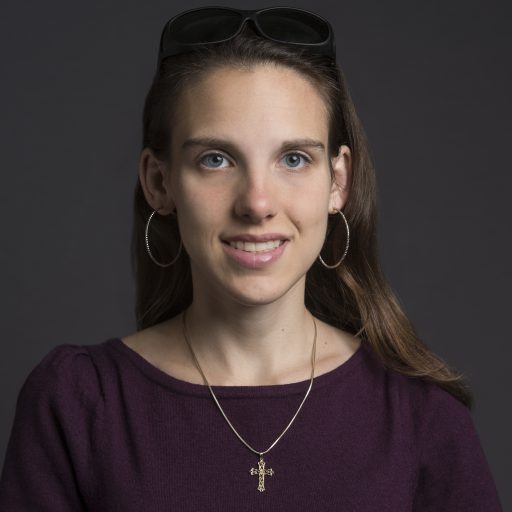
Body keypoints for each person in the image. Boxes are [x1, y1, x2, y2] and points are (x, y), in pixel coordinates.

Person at [0, 6, 504, 511]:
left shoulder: (421, 417)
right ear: (159, 182)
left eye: (293, 159)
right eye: (216, 159)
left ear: (338, 181)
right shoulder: (78, 403)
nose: (257, 204)